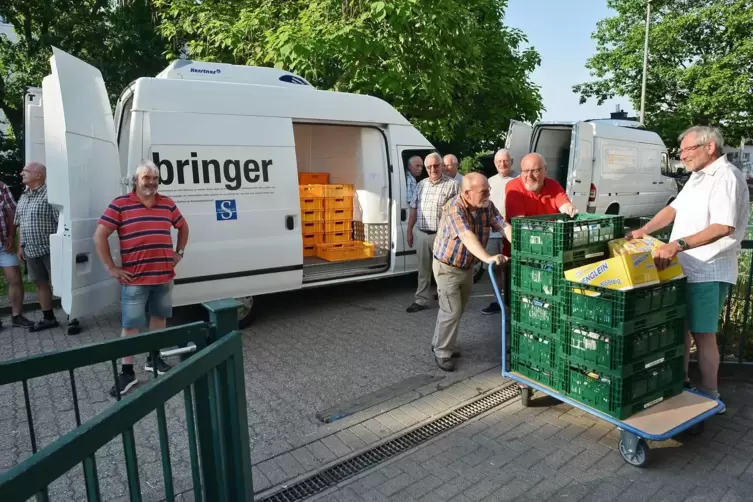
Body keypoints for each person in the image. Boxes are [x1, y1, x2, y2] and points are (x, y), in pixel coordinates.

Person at [630, 125, 749, 405]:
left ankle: (710, 395)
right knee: (680, 327)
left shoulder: (726, 176)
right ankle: (680, 383)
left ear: (709, 147)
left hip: (708, 268)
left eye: (687, 149)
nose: (682, 156)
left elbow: (724, 225)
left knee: (703, 334)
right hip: (685, 268)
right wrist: (643, 230)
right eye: (681, 151)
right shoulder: (698, 177)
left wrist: (678, 244)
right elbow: (673, 210)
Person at [94, 160, 190, 397]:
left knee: (159, 318)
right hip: (135, 279)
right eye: (146, 178)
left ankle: (153, 359)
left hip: (163, 276)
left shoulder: (167, 204)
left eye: (155, 178)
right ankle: (128, 372)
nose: (151, 182)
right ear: (135, 180)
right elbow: (100, 236)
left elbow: (183, 227)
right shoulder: (120, 204)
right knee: (130, 326)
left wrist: (179, 253)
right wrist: (111, 268)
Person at [431, 172, 511, 371]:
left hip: (467, 267)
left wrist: (521, 243)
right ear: (467, 193)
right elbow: (466, 235)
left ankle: (439, 342)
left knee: (455, 310)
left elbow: (502, 225)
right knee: (451, 310)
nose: (488, 195)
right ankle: (442, 352)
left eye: (488, 190)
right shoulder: (453, 208)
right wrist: (488, 258)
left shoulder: (487, 206)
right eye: (484, 191)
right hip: (447, 268)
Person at [406, 153, 459, 313]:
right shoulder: (421, 185)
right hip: (422, 234)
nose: (432, 169)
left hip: (442, 236)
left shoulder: (453, 185)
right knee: (423, 270)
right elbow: (414, 208)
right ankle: (421, 300)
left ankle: (446, 301)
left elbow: (457, 213)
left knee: (444, 271)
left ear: (442, 166)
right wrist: (409, 231)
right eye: (429, 167)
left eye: (436, 165)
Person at [14, 162, 60, 331]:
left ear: (38, 175)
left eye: (26, 171)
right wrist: (20, 247)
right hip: (31, 250)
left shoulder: (50, 195)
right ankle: (48, 318)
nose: (21, 173)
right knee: (40, 284)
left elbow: (60, 222)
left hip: (50, 249)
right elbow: (20, 224)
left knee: (61, 283)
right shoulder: (25, 195)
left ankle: (73, 317)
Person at [481, 149, 518, 315]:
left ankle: (513, 303)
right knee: (494, 268)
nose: (502, 164)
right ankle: (497, 301)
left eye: (506, 161)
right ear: (495, 164)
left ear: (512, 161)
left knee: (512, 268)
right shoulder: (490, 181)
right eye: (499, 162)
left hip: (512, 233)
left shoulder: (519, 179)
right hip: (493, 234)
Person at [0, 180, 33, 329]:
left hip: (4, 243)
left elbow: (12, 211)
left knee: (14, 277)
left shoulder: (1, 186)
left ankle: (17, 316)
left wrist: (11, 237)